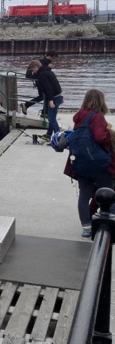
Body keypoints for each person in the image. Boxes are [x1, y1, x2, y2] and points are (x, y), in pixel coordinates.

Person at [63, 89, 115, 238]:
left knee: (84, 195)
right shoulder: (97, 117)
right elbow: (99, 137)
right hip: (98, 163)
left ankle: (86, 227)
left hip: (81, 163)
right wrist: (108, 131)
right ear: (100, 101)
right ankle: (111, 224)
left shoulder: (79, 117)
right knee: (109, 194)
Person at [27, 59, 63, 141]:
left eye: (33, 70)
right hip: (58, 96)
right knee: (51, 117)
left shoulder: (42, 75)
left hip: (54, 97)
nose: (33, 72)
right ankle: (48, 135)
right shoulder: (46, 71)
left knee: (51, 119)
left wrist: (50, 100)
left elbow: (48, 88)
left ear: (36, 67)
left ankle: (59, 138)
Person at [21, 50, 58, 115]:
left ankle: (29, 106)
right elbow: (41, 72)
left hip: (40, 81)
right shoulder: (44, 62)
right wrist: (48, 67)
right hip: (41, 82)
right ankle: (43, 112)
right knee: (45, 96)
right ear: (49, 56)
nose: (53, 60)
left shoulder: (43, 61)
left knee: (43, 96)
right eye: (53, 58)